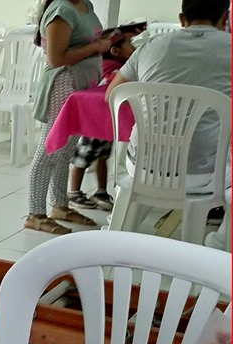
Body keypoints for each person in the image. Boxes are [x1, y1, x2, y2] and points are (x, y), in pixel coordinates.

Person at [105, 0, 231, 204]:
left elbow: (112, 93)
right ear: (225, 18)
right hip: (204, 175)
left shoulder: (151, 46)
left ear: (182, 19)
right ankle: (217, 224)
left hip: (141, 167)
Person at [26, 0, 116, 235]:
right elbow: (56, 58)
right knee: (50, 149)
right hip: (64, 82)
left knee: (66, 151)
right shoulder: (61, 10)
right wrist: (97, 46)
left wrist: (109, 40)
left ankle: (60, 206)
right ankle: (35, 214)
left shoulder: (84, 5)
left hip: (82, 85)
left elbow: (83, 40)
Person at [66, 31, 138, 212]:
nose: (134, 47)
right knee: (84, 156)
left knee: (103, 156)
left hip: (106, 122)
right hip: (95, 121)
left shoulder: (119, 66)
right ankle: (74, 193)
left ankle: (101, 191)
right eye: (129, 43)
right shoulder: (110, 68)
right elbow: (114, 82)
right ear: (115, 51)